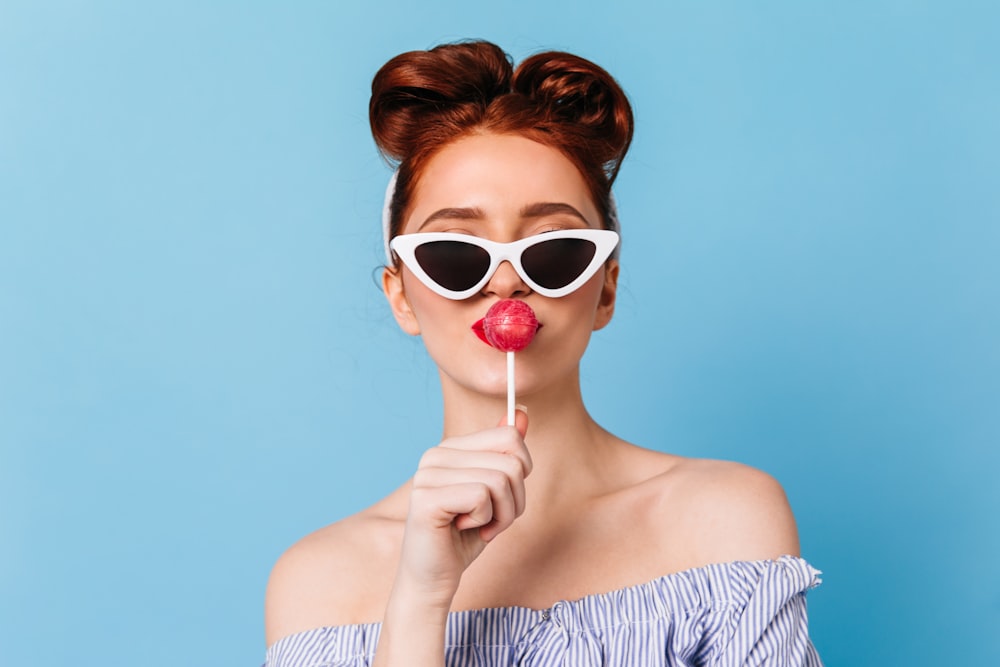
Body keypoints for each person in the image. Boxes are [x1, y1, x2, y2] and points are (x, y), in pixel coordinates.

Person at [263, 40, 822, 666]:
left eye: (555, 250)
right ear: (402, 297)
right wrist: (419, 598)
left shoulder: (721, 519)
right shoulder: (318, 582)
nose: (505, 283)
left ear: (605, 287)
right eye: (456, 254)